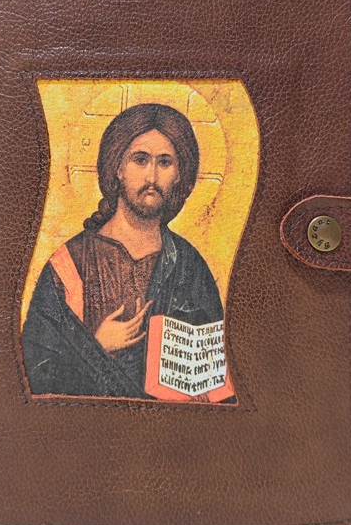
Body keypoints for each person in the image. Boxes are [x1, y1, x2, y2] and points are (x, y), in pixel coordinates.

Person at [21, 102, 231, 401]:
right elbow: (34, 373)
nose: (152, 177)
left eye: (165, 163)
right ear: (118, 168)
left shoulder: (189, 265)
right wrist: (96, 347)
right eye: (140, 160)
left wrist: (202, 392)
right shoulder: (69, 264)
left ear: (179, 175)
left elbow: (216, 372)